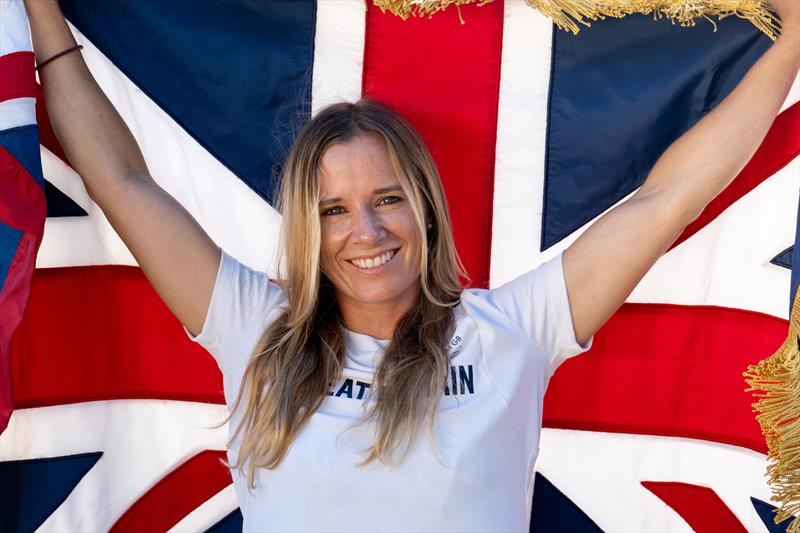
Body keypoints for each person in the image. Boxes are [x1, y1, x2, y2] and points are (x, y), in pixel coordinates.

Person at [23, 0, 800, 531]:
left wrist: (793, 42)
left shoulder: (512, 332)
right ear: (308, 227)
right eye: (333, 209)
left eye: (387, 198)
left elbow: (665, 200)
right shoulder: (254, 332)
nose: (365, 230)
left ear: (424, 207)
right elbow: (118, 180)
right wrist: (42, 20)